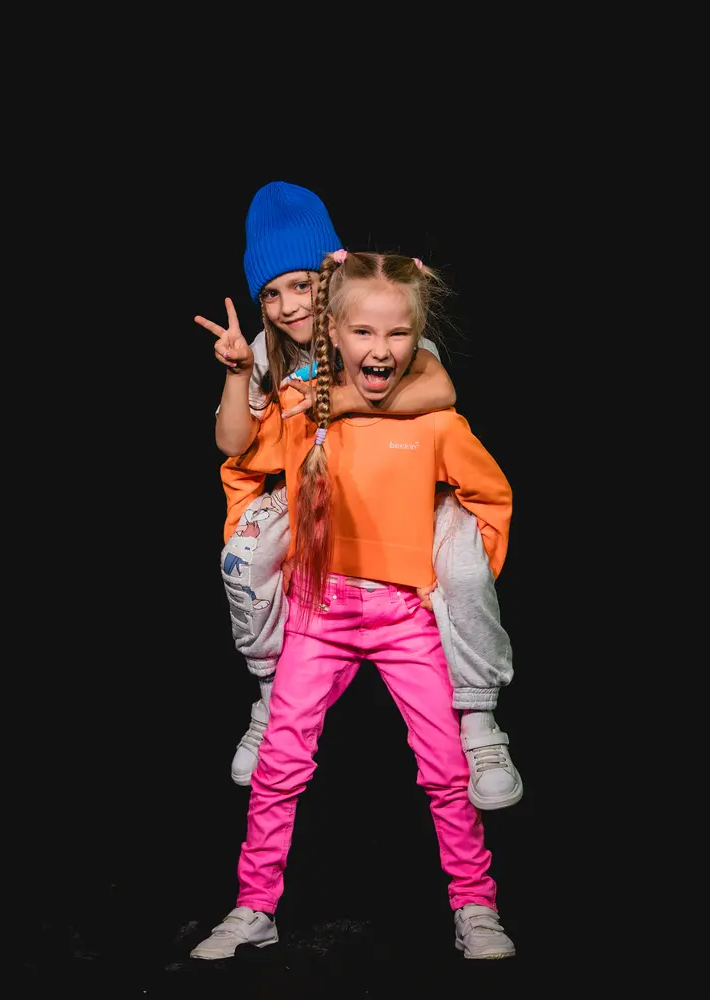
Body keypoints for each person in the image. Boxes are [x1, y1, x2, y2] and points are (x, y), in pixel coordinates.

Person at [191, 251, 516, 961]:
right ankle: (254, 908)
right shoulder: (300, 411)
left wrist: (459, 584)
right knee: (279, 765)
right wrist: (239, 377)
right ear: (331, 334)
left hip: (406, 620)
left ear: (417, 339)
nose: (381, 348)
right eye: (363, 332)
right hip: (319, 615)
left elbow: (491, 498)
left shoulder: (435, 422)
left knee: (446, 768)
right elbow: (238, 457)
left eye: (398, 334)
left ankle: (476, 906)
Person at [200, 181, 521, 809]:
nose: (288, 306)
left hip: (397, 491)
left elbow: (441, 390)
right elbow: (232, 444)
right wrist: (239, 375)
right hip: (309, 486)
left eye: (301, 285)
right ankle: (269, 698)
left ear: (331, 276)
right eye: (271, 293)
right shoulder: (263, 349)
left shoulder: (379, 321)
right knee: (244, 556)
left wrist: (337, 401)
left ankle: (480, 721)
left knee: (462, 565)